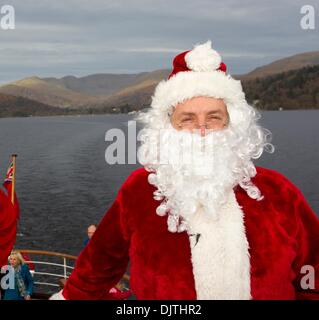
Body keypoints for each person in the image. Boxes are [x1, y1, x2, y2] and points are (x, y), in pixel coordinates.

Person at [51, 41, 319, 300]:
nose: (202, 129)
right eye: (187, 119)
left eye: (214, 117)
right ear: (167, 127)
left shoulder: (278, 191)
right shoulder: (140, 189)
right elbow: (100, 265)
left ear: (233, 124)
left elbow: (313, 271)